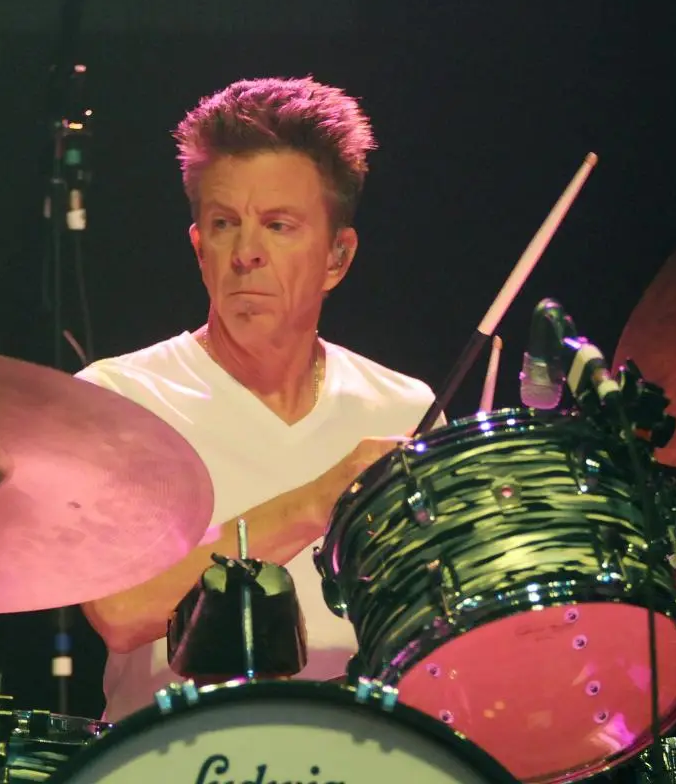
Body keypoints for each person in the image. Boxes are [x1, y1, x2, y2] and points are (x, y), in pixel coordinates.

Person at [75, 76, 440, 722]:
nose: (246, 254)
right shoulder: (122, 398)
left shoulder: (406, 411)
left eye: (278, 226)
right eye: (223, 225)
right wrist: (316, 501)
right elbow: (122, 610)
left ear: (337, 257)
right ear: (199, 248)